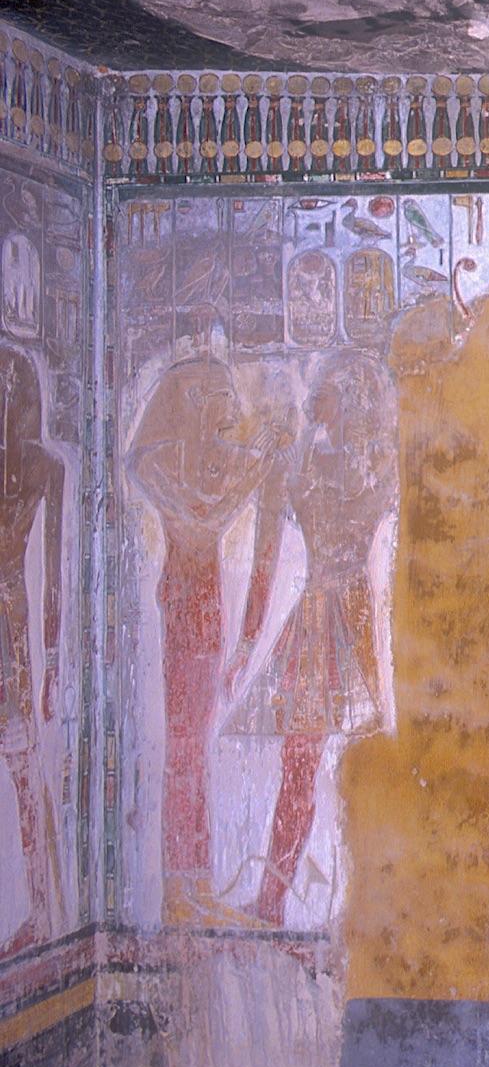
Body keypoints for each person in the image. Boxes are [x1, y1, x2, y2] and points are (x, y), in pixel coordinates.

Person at [225, 353, 397, 927]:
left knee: (358, 761)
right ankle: (273, 900)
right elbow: (264, 559)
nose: (313, 403)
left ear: (349, 403)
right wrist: (247, 643)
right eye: (316, 394)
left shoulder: (376, 469)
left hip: (355, 623)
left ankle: (362, 909)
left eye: (325, 394)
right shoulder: (302, 466)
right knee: (298, 762)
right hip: (320, 621)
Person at [127, 356, 285, 926]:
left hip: (208, 607)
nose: (232, 409)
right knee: (183, 748)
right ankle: (178, 888)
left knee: (194, 747)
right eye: (221, 395)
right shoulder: (158, 460)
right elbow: (201, 523)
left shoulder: (209, 457)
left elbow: (246, 476)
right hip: (184, 607)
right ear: (194, 400)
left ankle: (194, 882)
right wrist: (253, 472)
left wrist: (262, 458)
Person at [0, 344, 64, 957]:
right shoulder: (43, 467)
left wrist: (52, 666)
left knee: (21, 766)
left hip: (11, 629)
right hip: (15, 621)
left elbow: (54, 580)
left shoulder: (44, 468)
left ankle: (41, 912)